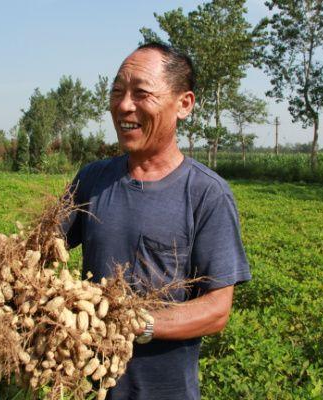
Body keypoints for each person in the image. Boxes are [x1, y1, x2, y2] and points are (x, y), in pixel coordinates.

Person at [62, 43, 251, 400]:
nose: (124, 105)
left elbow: (216, 310)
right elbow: (40, 250)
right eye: (117, 92)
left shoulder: (206, 194)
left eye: (141, 93)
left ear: (184, 104)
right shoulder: (92, 179)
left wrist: (134, 321)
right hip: (89, 388)